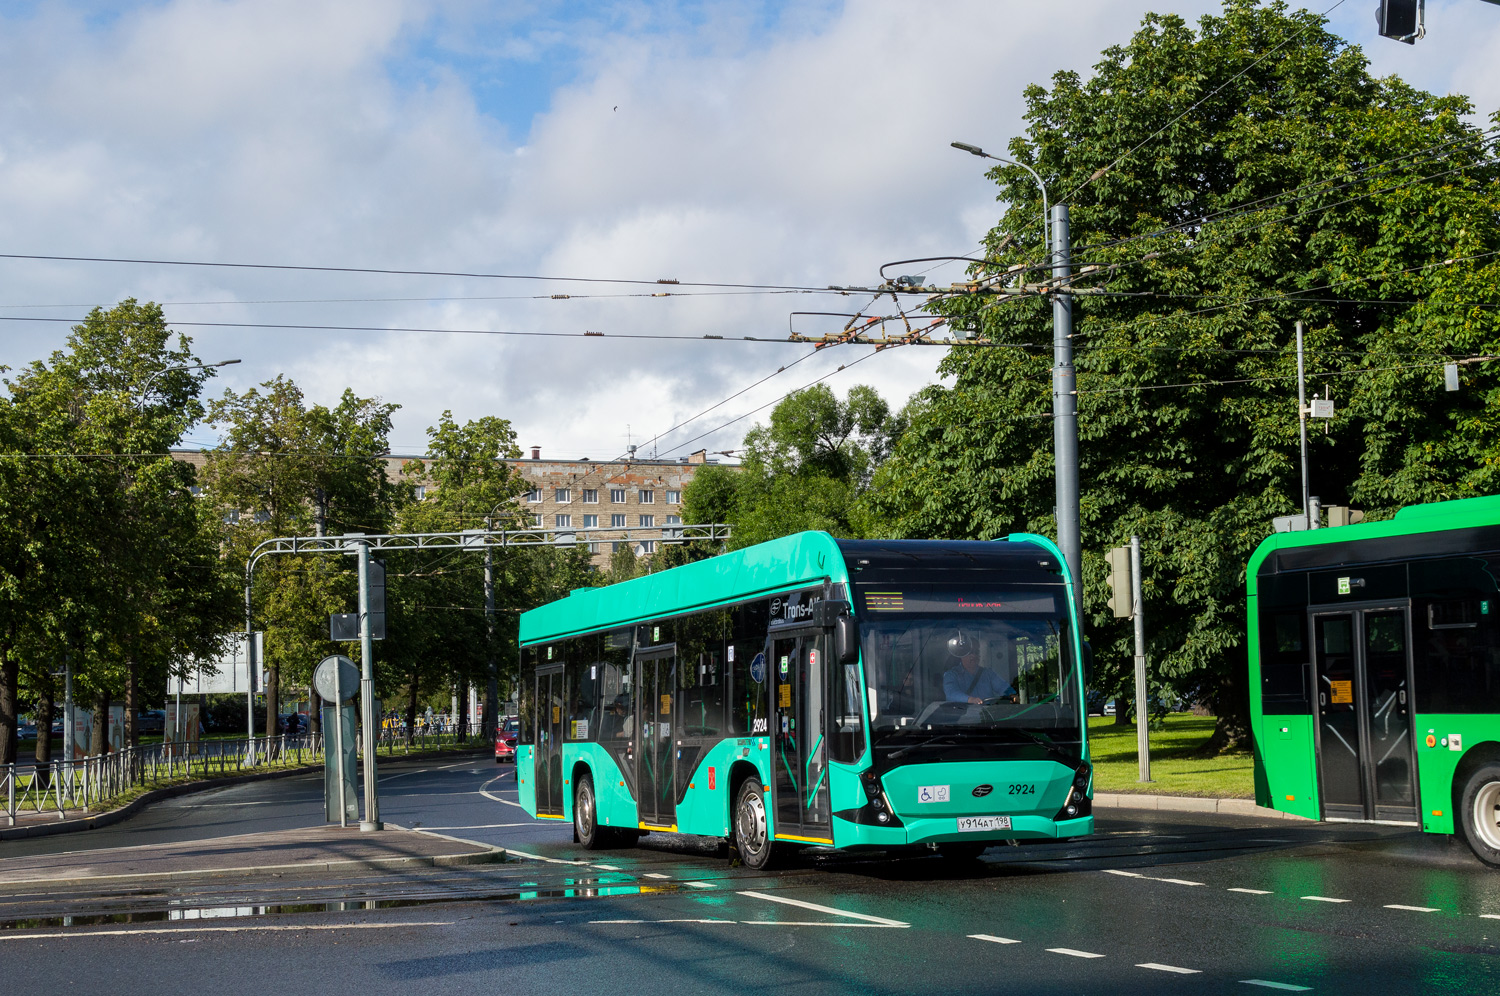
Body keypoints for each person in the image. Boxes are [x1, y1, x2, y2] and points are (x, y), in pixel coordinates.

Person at [943, 631, 1016, 704]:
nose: (974, 655)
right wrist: (970, 699)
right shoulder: (951, 675)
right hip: (963, 714)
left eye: (976, 652)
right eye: (970, 652)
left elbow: (1003, 687)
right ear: (962, 654)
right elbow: (951, 694)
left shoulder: (988, 674)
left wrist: (1012, 695)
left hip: (988, 713)